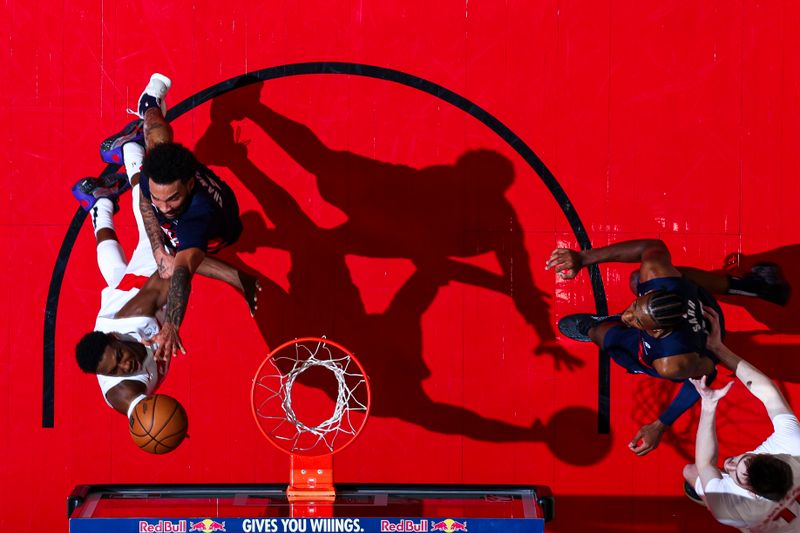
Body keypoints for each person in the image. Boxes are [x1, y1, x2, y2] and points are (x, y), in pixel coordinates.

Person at [545, 239, 789, 454]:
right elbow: (650, 246)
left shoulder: (671, 361)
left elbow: (706, 375)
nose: (627, 315)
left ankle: (592, 329)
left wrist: (660, 424)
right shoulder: (661, 280)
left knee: (606, 336)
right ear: (653, 293)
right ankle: (755, 287)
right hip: (705, 308)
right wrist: (583, 258)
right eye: (634, 307)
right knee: (638, 277)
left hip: (698, 343)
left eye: (635, 320)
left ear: (657, 332)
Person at [72, 164, 257, 418]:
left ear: (116, 338)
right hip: (114, 308)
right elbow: (144, 424)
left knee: (155, 231)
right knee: (114, 273)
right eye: (117, 370)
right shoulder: (122, 393)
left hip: (135, 292)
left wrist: (236, 278)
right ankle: (100, 203)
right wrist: (156, 429)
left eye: (120, 356)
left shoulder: (137, 315)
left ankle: (130, 151)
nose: (127, 365)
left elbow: (178, 266)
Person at [99, 73, 244, 361]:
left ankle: (124, 157)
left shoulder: (194, 220)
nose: (165, 207)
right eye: (159, 198)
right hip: (166, 185)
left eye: (173, 199)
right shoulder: (154, 181)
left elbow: (181, 274)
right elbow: (145, 202)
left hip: (223, 227)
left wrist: (172, 325)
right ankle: (149, 103)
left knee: (171, 256)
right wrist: (156, 247)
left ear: (189, 184)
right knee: (156, 135)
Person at [684, 307, 800, 531]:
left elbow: (704, 463)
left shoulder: (730, 508)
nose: (730, 462)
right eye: (741, 461)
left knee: (690, 473)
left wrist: (709, 406)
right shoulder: (795, 447)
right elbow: (768, 392)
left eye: (734, 474)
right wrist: (719, 348)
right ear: (766, 455)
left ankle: (704, 497)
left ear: (752, 493)